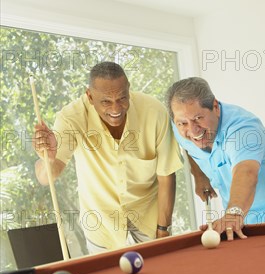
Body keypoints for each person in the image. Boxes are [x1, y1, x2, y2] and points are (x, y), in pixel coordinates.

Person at [33, 62, 182, 253]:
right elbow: (46, 178)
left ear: (129, 89)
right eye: (105, 102)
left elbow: (166, 176)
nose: (116, 108)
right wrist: (50, 159)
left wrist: (163, 231)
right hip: (101, 223)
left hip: (148, 215)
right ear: (89, 96)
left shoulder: (154, 111)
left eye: (122, 98)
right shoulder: (72, 117)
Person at [166, 77, 265, 241]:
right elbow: (188, 146)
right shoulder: (178, 124)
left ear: (215, 107)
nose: (192, 130)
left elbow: (246, 172)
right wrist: (199, 176)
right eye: (183, 123)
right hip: (239, 203)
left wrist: (233, 214)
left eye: (198, 118)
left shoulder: (243, 128)